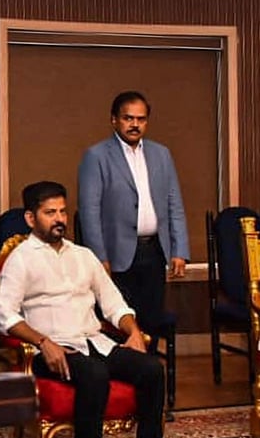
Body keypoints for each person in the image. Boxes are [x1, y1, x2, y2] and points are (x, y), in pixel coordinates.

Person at [0, 181, 183, 438]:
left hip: (95, 342)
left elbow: (114, 304)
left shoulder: (83, 256)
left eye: (62, 211)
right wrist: (43, 342)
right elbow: (4, 316)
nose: (59, 219)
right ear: (31, 218)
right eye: (50, 213)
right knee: (94, 375)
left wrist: (133, 331)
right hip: (53, 350)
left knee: (152, 369)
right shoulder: (21, 259)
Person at [78, 91, 188, 338]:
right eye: (128, 118)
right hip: (116, 254)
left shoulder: (162, 154)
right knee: (120, 323)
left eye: (141, 119)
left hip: (154, 251)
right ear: (114, 120)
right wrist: (99, 257)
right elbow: (89, 212)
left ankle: (149, 362)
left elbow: (174, 204)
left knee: (151, 320)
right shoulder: (96, 156)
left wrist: (179, 250)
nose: (135, 124)